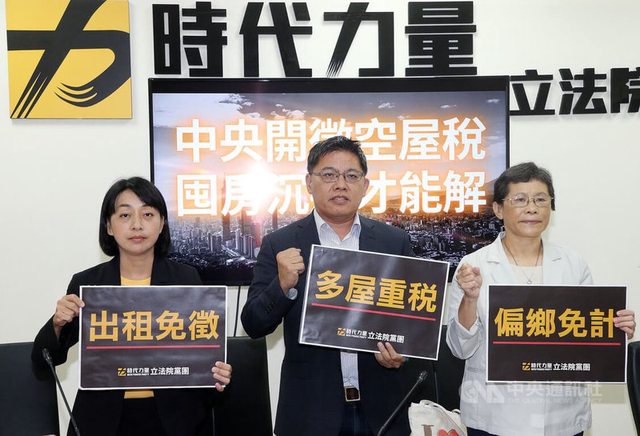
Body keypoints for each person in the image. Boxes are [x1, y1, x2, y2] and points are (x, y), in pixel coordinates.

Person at [446, 162, 636, 436]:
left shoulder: (572, 264)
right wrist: (470, 299)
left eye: (540, 200)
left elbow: (586, 336)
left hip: (562, 415)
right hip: (495, 415)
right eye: (520, 200)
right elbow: (459, 349)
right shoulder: (473, 266)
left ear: (551, 207)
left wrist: (615, 329)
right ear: (498, 209)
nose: (532, 208)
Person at [32, 177, 232, 436]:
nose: (137, 224)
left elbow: (200, 358)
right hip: (103, 422)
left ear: (162, 223)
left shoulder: (186, 279)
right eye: (125, 215)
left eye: (147, 214)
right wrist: (58, 324)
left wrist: (217, 374)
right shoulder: (89, 283)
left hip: (173, 420)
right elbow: (42, 361)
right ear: (109, 226)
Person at [241, 136, 414, 436]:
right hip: (310, 414)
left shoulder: (393, 242)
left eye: (351, 176)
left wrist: (404, 352)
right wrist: (281, 286)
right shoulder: (280, 244)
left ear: (365, 185)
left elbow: (413, 319)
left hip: (382, 411)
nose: (341, 185)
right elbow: (253, 324)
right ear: (309, 182)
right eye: (329, 175)